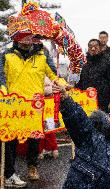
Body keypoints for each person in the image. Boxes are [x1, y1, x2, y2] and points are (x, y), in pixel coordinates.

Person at [0, 41, 67, 187]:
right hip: (13, 105)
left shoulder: (43, 55)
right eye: (24, 35)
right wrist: (3, 91)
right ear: (17, 37)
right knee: (11, 140)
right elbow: (1, 76)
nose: (28, 39)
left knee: (34, 138)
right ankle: (9, 173)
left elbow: (53, 74)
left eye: (32, 35)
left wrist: (61, 83)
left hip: (35, 105)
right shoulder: (7, 54)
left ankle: (32, 167)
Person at [76, 39, 110, 112]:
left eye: (95, 46)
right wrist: (71, 88)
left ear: (100, 48)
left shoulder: (108, 63)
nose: (93, 49)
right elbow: (81, 83)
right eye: (90, 47)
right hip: (87, 102)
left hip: (103, 102)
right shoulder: (85, 66)